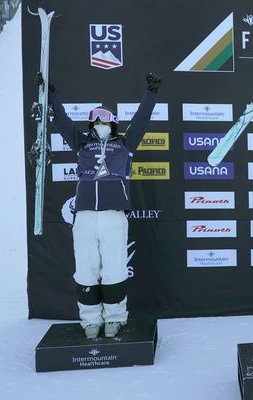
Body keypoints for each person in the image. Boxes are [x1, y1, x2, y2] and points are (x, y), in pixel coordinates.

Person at [36, 71, 162, 338]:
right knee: (86, 267)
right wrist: (52, 95)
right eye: (93, 117)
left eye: (103, 117)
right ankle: (91, 320)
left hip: (114, 216)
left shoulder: (125, 145)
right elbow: (61, 120)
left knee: (115, 266)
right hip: (83, 217)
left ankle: (115, 318)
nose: (97, 121)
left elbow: (142, 120)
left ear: (114, 122)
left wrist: (150, 93)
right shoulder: (81, 143)